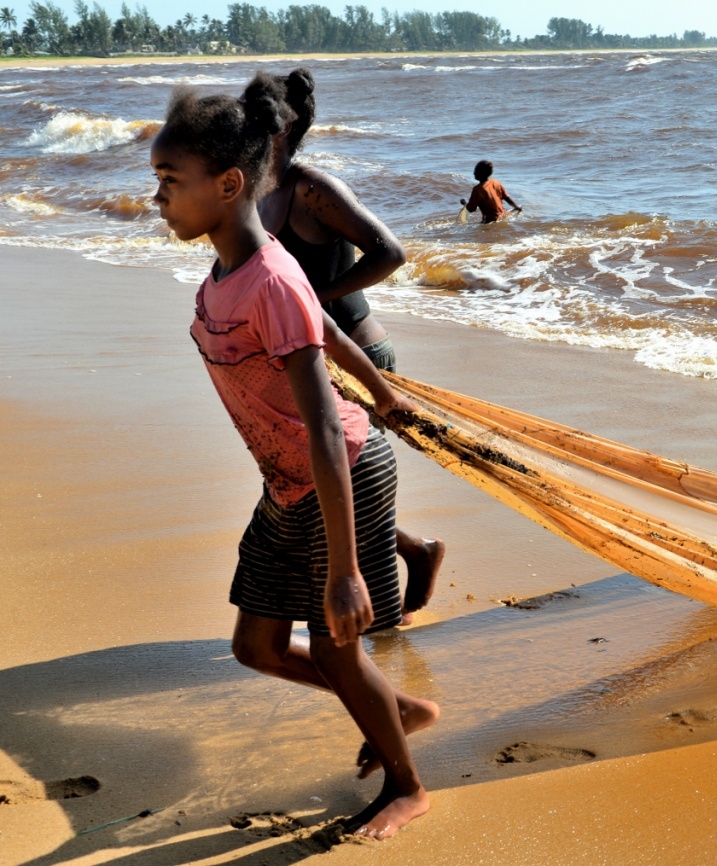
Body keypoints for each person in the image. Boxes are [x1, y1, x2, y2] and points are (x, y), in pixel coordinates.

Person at [150, 76, 436, 840]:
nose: (159, 200)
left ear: (229, 183)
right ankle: (397, 709)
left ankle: (407, 784)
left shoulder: (268, 278)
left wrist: (345, 571)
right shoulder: (235, 265)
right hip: (288, 483)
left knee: (341, 647)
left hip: (333, 470)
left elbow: (318, 420)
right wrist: (382, 390)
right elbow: (330, 332)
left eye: (170, 184)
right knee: (256, 646)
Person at [256, 69, 443, 625]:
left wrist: (316, 296)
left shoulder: (312, 188)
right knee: (319, 482)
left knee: (346, 481)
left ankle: (395, 577)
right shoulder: (257, 192)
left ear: (282, 128)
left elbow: (391, 253)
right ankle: (412, 550)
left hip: (356, 355)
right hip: (310, 357)